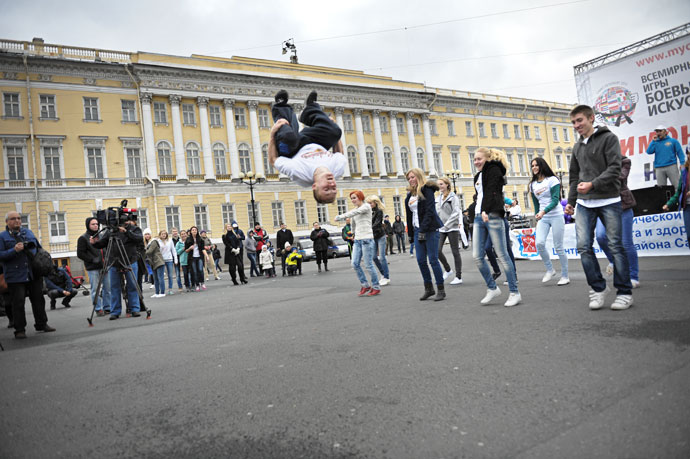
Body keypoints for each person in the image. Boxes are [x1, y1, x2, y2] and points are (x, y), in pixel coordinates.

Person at [565, 104, 633, 310]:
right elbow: (574, 177)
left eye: (580, 121)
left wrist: (593, 184)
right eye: (573, 122)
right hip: (585, 203)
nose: (577, 125)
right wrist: (571, 201)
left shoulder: (609, 138)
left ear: (591, 118)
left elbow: (615, 168)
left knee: (615, 245)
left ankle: (624, 292)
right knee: (583, 247)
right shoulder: (577, 147)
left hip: (609, 200)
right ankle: (598, 288)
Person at [268, 90, 345, 204]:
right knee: (336, 131)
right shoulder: (338, 170)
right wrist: (332, 127)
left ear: (314, 186)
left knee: (287, 135)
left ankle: (281, 106)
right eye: (334, 189)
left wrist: (272, 134)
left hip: (294, 148)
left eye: (326, 188)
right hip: (316, 141)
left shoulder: (300, 174)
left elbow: (273, 160)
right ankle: (310, 108)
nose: (331, 184)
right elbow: (339, 153)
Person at [472, 148, 521, 307]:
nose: (476, 162)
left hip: (492, 215)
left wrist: (486, 209)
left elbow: (492, 191)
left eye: (479, 158)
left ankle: (515, 292)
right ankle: (492, 288)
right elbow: (480, 196)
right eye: (474, 159)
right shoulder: (478, 175)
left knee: (502, 254)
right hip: (479, 217)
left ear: (488, 158)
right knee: (477, 256)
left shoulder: (494, 170)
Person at [0, 212, 56, 339]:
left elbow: (39, 249)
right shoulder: (2, 237)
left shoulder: (28, 233)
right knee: (18, 303)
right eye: (13, 219)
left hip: (32, 272)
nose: (17, 221)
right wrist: (14, 250)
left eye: (19, 218)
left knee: (38, 300)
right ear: (7, 222)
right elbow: (0, 255)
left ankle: (42, 324)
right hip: (15, 275)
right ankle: (19, 329)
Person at [596, 155, 640, 288]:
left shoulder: (624, 161)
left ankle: (633, 276)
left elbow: (618, 179)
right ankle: (614, 261)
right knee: (601, 236)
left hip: (623, 207)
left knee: (626, 243)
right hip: (603, 208)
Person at [91, 213, 143, 320]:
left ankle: (135, 309)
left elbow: (139, 238)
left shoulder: (134, 228)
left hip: (130, 260)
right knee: (114, 287)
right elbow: (103, 243)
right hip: (114, 262)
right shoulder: (110, 231)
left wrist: (126, 232)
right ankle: (115, 311)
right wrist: (94, 243)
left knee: (132, 285)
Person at [405, 168, 446, 301]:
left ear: (419, 176)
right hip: (418, 230)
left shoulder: (426, 190)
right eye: (409, 178)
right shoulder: (409, 195)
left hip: (430, 229)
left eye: (413, 177)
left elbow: (429, 211)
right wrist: (411, 234)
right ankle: (429, 288)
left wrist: (423, 229)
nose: (411, 180)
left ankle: (441, 289)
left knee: (433, 259)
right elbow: (410, 215)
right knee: (421, 260)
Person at [530, 157, 569, 286]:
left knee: (559, 247)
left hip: (556, 215)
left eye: (536, 165)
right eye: (532, 166)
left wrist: (543, 211)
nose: (534, 168)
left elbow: (555, 199)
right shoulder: (533, 184)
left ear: (542, 166)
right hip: (543, 217)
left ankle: (565, 275)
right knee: (539, 243)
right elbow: (536, 203)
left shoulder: (552, 180)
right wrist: (538, 215)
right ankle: (550, 269)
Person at [335, 190, 381, 297]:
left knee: (368, 265)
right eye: (351, 198)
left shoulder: (366, 207)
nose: (353, 200)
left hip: (367, 239)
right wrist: (353, 234)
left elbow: (354, 213)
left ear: (360, 197)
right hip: (357, 240)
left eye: (354, 198)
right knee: (354, 263)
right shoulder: (356, 210)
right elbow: (353, 224)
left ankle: (376, 287)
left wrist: (340, 217)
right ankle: (365, 285)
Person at [77, 217, 110, 316]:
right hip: (93, 268)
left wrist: (107, 261)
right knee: (95, 289)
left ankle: (107, 307)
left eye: (97, 224)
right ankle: (98, 308)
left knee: (107, 288)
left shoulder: (101, 236)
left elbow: (106, 249)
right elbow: (80, 253)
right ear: (88, 225)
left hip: (104, 266)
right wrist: (92, 260)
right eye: (93, 224)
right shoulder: (83, 238)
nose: (96, 226)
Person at [436, 177, 464, 285]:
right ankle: (448, 270)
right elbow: (437, 213)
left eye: (441, 184)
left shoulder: (453, 197)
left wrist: (446, 225)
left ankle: (458, 276)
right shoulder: (438, 198)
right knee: (437, 251)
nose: (439, 186)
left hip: (452, 227)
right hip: (441, 228)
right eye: (438, 184)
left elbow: (456, 212)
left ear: (447, 185)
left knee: (455, 251)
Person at [646, 124, 686, 193]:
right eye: (657, 131)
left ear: (665, 132)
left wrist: (682, 163)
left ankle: (680, 202)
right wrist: (653, 141)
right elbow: (649, 151)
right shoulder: (655, 142)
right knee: (661, 189)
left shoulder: (673, 141)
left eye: (660, 131)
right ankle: (665, 203)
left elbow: (680, 153)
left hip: (671, 166)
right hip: (659, 168)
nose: (658, 133)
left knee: (677, 186)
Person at [663, 156, 690, 249]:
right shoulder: (684, 173)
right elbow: (679, 192)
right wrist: (669, 203)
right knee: (689, 235)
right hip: (687, 207)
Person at [366, 195, 390, 286]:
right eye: (368, 203)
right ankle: (383, 274)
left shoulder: (379, 211)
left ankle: (386, 277)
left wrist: (368, 229)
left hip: (380, 235)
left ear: (375, 202)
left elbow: (376, 224)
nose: (369, 205)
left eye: (371, 203)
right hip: (373, 236)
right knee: (374, 257)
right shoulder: (368, 211)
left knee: (382, 257)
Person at [144, 229, 165, 298]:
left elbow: (149, 251)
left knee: (160, 278)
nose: (147, 236)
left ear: (150, 235)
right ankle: (156, 292)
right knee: (155, 278)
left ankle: (162, 292)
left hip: (158, 261)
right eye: (145, 234)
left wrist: (142, 252)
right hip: (153, 263)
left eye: (148, 234)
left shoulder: (153, 241)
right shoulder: (148, 243)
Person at [184, 226, 207, 292]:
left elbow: (203, 249)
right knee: (194, 271)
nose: (194, 231)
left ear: (197, 231)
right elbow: (186, 250)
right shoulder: (188, 239)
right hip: (192, 258)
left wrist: (206, 256)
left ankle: (202, 282)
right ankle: (197, 285)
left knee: (200, 270)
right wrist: (190, 248)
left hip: (199, 256)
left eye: (195, 230)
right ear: (190, 232)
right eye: (193, 230)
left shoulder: (200, 239)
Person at [158, 230, 178, 295]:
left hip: (169, 259)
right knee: (161, 276)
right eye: (162, 234)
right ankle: (162, 290)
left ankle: (170, 289)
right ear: (160, 235)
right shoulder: (158, 241)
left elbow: (173, 250)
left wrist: (175, 259)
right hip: (162, 260)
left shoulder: (170, 241)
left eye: (165, 234)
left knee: (170, 275)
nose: (164, 235)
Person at [170, 227, 183, 292]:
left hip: (182, 257)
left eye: (176, 231)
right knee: (177, 273)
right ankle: (180, 286)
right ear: (171, 233)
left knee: (186, 272)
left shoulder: (181, 240)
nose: (175, 232)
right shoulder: (170, 241)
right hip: (175, 259)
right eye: (173, 231)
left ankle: (188, 284)